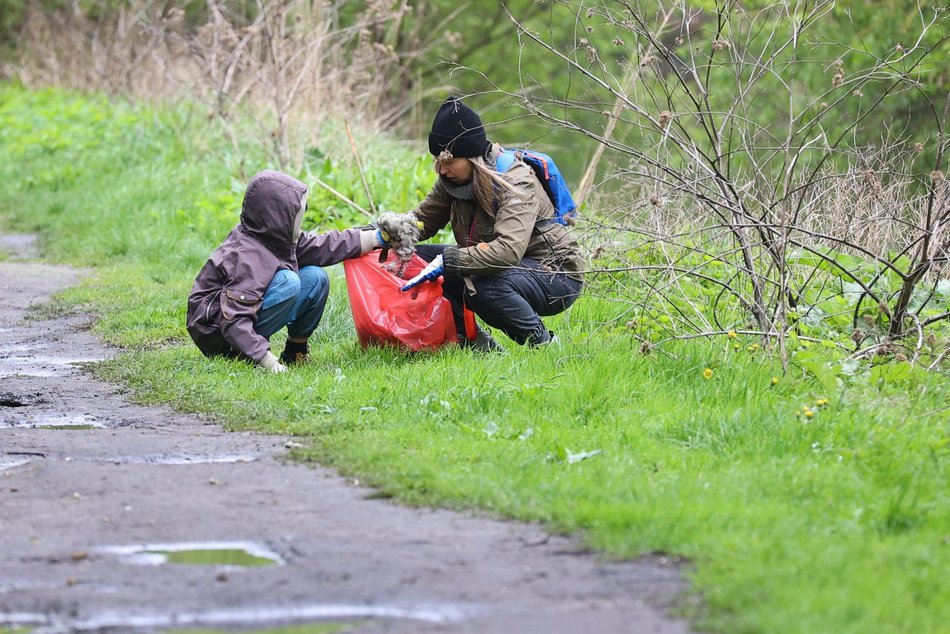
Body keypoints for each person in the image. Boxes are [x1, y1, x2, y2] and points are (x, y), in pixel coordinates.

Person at [388, 96, 584, 350]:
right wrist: (376, 235)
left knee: (482, 286)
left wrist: (450, 260)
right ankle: (473, 342)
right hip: (506, 267)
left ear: (472, 157)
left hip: (555, 274)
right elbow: (422, 222)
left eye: (448, 162)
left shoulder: (515, 181)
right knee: (417, 257)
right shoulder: (452, 180)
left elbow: (508, 251)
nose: (441, 169)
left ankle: (544, 344)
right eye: (438, 160)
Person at [187, 169, 383, 372]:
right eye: (297, 213)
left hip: (234, 321)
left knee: (316, 278)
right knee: (288, 282)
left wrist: (376, 237)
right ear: (277, 216)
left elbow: (324, 245)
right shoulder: (246, 256)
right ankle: (240, 353)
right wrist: (268, 362)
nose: (300, 218)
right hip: (219, 334)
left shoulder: (274, 237)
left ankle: (295, 352)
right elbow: (233, 320)